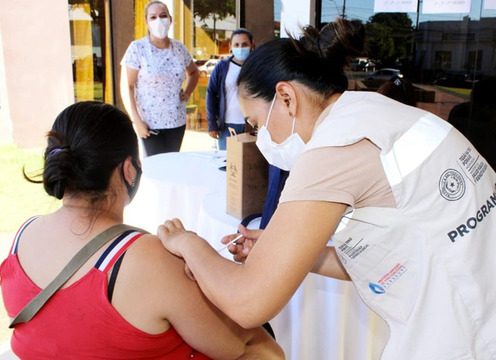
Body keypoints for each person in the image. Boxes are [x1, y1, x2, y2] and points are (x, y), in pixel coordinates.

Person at [157, 18, 496, 359]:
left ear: (286, 98)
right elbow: (398, 251)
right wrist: (293, 252)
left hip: (471, 338)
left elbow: (249, 303)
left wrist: (188, 242)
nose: (259, 138)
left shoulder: (331, 152)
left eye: (255, 124)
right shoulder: (380, 114)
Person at [0, 101, 283, 360]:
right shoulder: (144, 258)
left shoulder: (23, 235)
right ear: (129, 169)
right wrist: (194, 252)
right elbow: (241, 346)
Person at [120, 1, 199, 157]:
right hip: (149, 124)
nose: (159, 20)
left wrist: (187, 93)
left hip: (176, 122)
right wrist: (136, 121)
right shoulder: (137, 49)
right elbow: (126, 86)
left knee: (171, 166)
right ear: (146, 22)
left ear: (170, 19)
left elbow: (194, 73)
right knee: (154, 169)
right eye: (153, 17)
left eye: (163, 16)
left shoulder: (179, 48)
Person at [206, 29, 254, 150]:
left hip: (252, 125)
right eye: (236, 45)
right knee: (228, 163)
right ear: (230, 46)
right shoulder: (222, 67)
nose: (240, 48)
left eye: (244, 44)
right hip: (227, 125)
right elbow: (211, 94)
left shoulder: (257, 67)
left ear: (252, 45)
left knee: (251, 164)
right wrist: (212, 123)